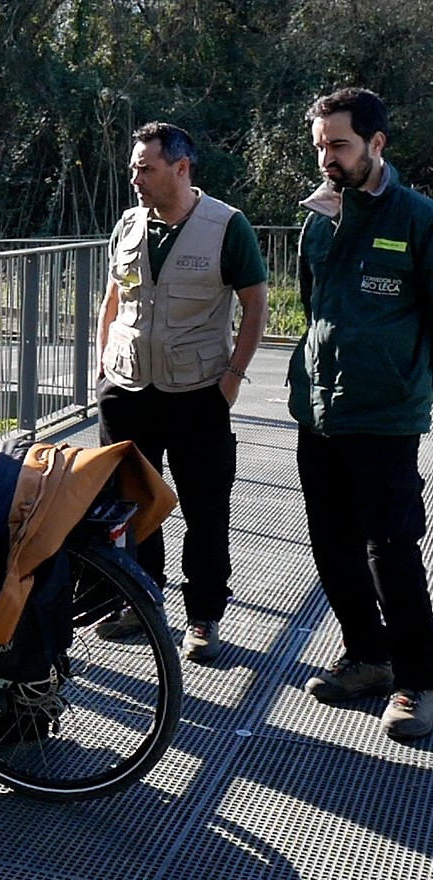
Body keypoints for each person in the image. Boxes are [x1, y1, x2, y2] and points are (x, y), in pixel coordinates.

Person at [289, 88, 433, 740]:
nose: (326, 157)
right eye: (320, 145)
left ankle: (414, 683)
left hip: (384, 415)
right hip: (319, 414)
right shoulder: (315, 221)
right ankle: (366, 658)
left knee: (390, 553)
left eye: (338, 144)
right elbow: (311, 305)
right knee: (331, 548)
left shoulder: (416, 221)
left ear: (376, 144)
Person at [94, 122, 268, 662]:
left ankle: (204, 616)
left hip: (196, 392)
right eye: (132, 168)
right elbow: (112, 300)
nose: (135, 178)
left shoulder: (226, 227)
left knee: (204, 509)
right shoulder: (127, 225)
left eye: (144, 168)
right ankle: (142, 604)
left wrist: (233, 379)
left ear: (181, 168)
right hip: (127, 389)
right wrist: (100, 365)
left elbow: (256, 305)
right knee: (130, 507)